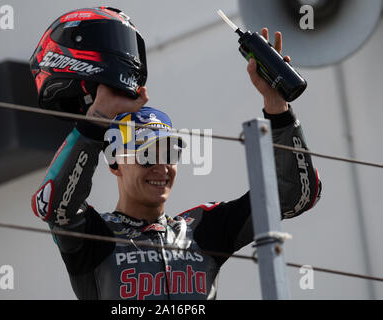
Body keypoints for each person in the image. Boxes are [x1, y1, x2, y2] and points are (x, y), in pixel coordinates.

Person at [30, 7, 322, 300]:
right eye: (146, 155)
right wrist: (96, 121)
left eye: (168, 152)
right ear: (115, 163)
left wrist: (277, 107)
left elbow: (296, 197)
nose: (161, 167)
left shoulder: (202, 229)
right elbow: (53, 207)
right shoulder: (95, 236)